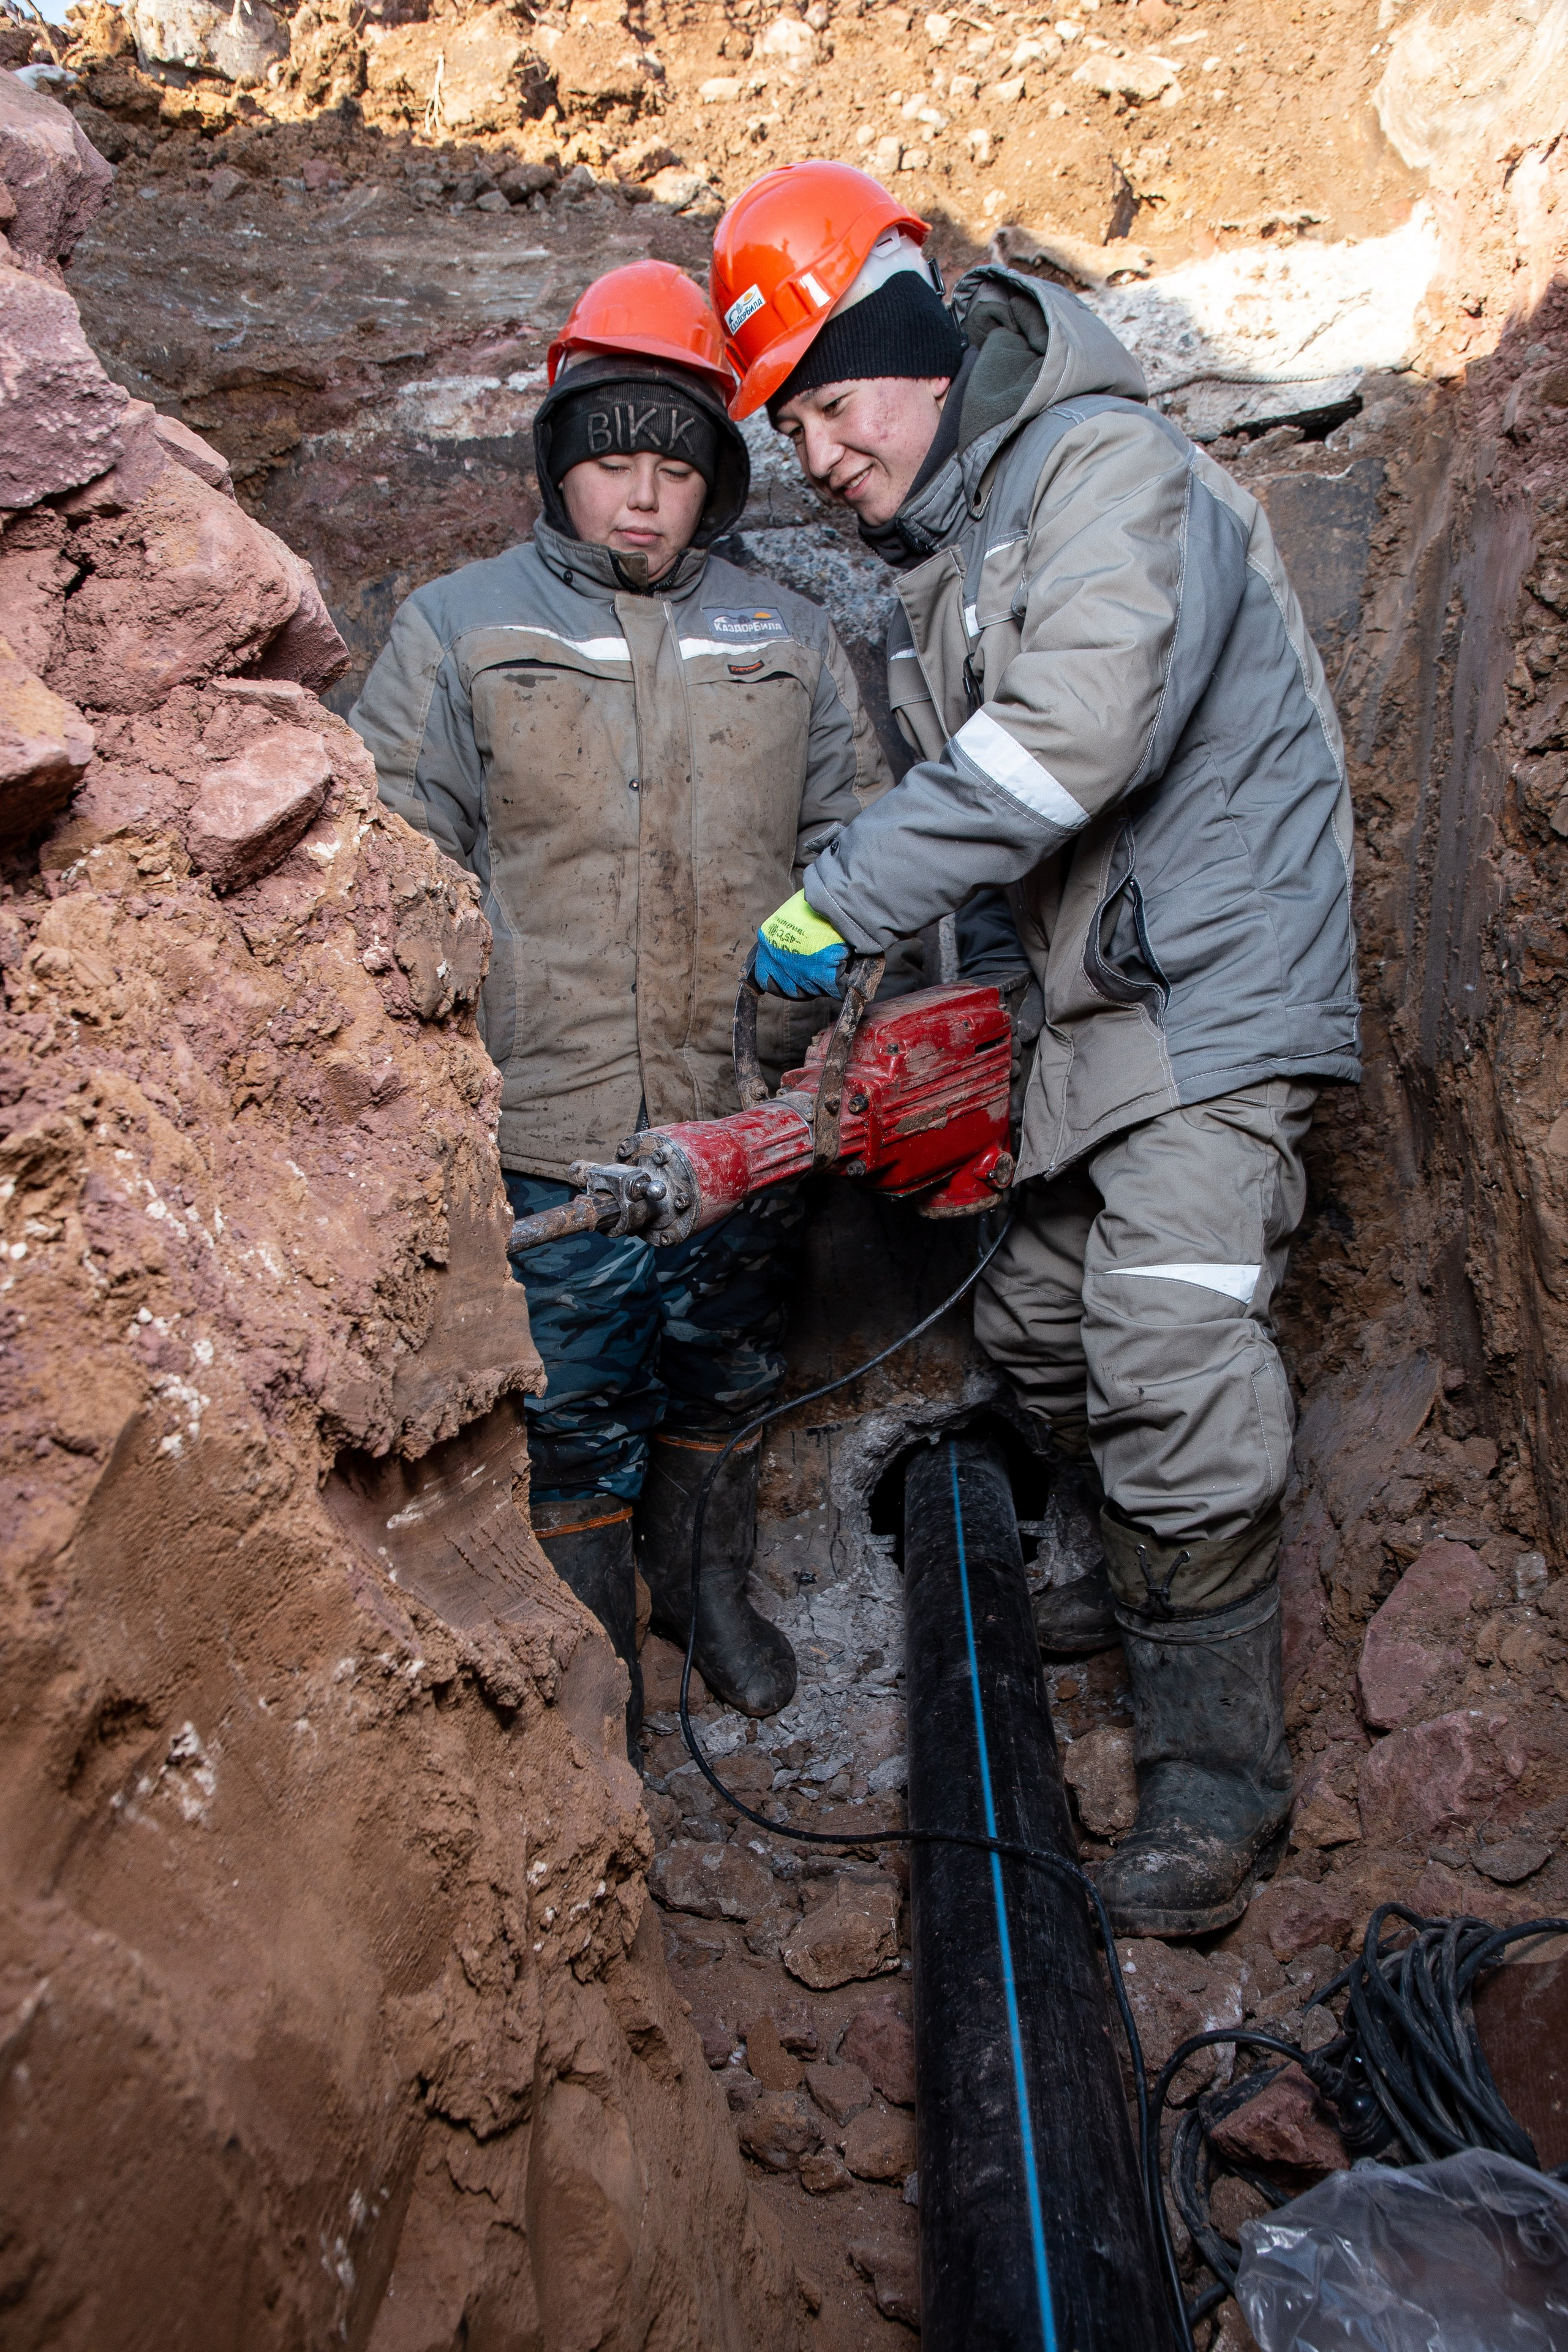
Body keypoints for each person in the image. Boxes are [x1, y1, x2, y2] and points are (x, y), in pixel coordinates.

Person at [713, 165, 1360, 1937]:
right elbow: (1009, 867)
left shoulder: (1105, 472)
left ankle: (1214, 1783)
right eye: (793, 429)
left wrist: (833, 905)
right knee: (1036, 1332)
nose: (819, 456)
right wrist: (971, 1036)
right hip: (1098, 1022)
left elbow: (1067, 745)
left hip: (1213, 1002)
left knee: (1166, 1354)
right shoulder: (961, 560)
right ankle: (1145, 1581)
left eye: (832, 406)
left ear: (918, 347)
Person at [350, 258, 894, 1740]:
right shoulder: (457, 628)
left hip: (742, 1118)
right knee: (574, 1406)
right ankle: (596, 1675)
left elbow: (863, 849)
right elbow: (387, 873)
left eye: (676, 468)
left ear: (716, 479)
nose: (641, 499)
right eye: (609, 465)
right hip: (556, 1127)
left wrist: (826, 1037)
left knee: (725, 1372)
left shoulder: (787, 635)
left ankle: (703, 1596)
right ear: (558, 468)